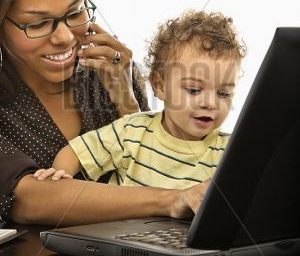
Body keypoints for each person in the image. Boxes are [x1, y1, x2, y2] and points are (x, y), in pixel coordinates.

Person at [0, 0, 209, 226]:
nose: (64, 37)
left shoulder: (109, 73)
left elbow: (151, 171)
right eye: (38, 23)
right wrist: (171, 200)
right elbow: (25, 198)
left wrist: (127, 102)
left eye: (75, 12)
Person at [34, 10, 246, 189]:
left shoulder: (230, 152)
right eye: (193, 90)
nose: (210, 103)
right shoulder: (132, 131)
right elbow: (75, 152)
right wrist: (60, 176)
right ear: (159, 85)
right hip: (119, 235)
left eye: (223, 93)